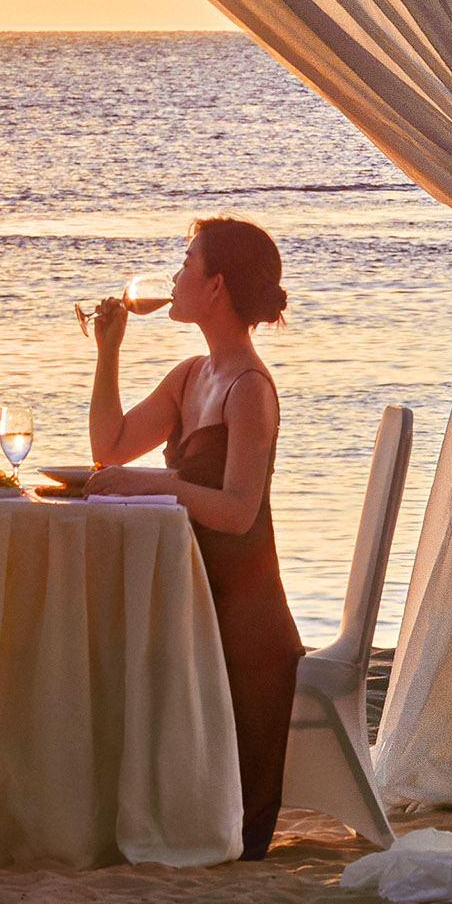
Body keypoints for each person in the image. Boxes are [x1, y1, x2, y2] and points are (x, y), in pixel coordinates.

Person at [85, 214, 307, 858]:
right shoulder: (191, 375)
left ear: (215, 287)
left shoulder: (249, 389)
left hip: (244, 621)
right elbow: (111, 447)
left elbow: (239, 512)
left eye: (186, 263)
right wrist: (108, 352)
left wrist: (159, 486)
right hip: (193, 597)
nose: (175, 277)